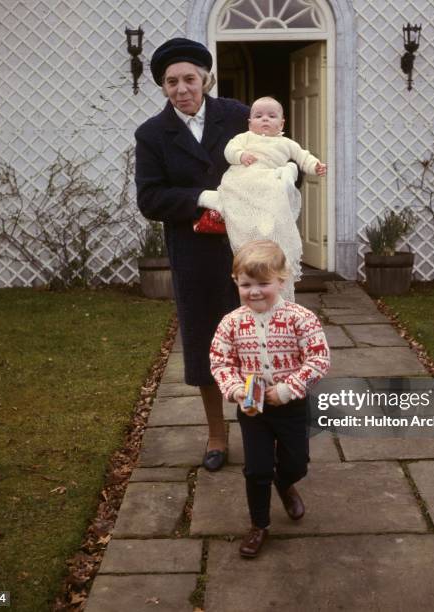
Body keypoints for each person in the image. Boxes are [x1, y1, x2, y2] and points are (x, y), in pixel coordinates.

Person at [134, 37, 250, 471]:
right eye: (171, 82)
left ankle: (256, 426)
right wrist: (204, 197)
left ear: (205, 78)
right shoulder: (151, 134)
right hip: (194, 254)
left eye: (188, 78)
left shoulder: (238, 116)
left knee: (254, 338)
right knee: (206, 342)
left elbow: (279, 162)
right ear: (163, 87)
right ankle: (217, 434)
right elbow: (150, 198)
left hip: (249, 249)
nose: (181, 88)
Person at [209, 240, 330, 557]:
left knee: (296, 464)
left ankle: (285, 482)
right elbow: (220, 363)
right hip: (253, 409)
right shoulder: (232, 323)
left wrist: (289, 388)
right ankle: (258, 525)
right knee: (256, 469)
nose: (255, 292)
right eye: (246, 284)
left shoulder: (300, 318)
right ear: (236, 282)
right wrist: (236, 389)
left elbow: (318, 360)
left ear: (282, 279)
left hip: (291, 406)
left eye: (264, 283)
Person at [200, 97, 327, 301]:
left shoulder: (286, 143)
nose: (264, 120)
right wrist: (240, 156)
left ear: (282, 123)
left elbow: (304, 156)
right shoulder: (245, 138)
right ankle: (223, 204)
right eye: (258, 116)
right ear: (250, 123)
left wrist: (315, 166)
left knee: (274, 200)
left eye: (271, 116)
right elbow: (229, 150)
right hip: (244, 176)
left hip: (268, 178)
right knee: (234, 191)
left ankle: (267, 232)